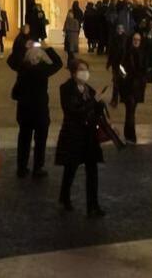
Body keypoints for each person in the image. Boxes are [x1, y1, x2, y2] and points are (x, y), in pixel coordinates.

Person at [55, 58, 107, 216]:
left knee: (92, 170)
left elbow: (95, 112)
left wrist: (100, 104)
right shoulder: (66, 89)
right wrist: (93, 101)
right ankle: (65, 196)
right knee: (71, 168)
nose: (85, 72)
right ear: (73, 72)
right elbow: (74, 111)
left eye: (86, 69)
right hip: (73, 135)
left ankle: (93, 205)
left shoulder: (88, 90)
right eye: (81, 69)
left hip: (89, 135)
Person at [10, 40, 63, 178]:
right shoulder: (43, 70)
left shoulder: (22, 68)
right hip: (40, 111)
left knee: (24, 139)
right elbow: (58, 63)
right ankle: (38, 167)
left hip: (24, 110)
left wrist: (23, 46)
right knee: (40, 141)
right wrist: (48, 48)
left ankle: (21, 167)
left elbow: (11, 60)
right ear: (40, 58)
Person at [117, 30, 149, 143]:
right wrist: (125, 77)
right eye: (135, 40)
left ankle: (128, 134)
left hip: (138, 86)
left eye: (138, 40)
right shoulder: (127, 53)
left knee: (131, 111)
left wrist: (143, 79)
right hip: (128, 86)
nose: (136, 42)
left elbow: (145, 69)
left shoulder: (142, 53)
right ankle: (131, 135)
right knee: (130, 111)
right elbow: (121, 69)